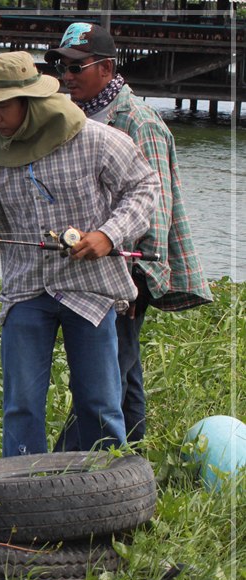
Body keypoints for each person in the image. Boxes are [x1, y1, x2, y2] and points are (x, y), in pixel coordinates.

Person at [0, 51, 159, 457]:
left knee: (99, 402)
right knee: (21, 405)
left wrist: (107, 235)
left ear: (30, 104)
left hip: (91, 289)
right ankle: (21, 488)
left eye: (2, 106)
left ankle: (109, 482)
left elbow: (144, 187)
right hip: (27, 291)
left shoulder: (94, 139)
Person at [45, 23, 212, 449]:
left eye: (76, 67)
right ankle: (131, 456)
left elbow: (155, 205)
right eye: (60, 65)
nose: (66, 75)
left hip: (126, 268)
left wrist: (137, 279)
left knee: (108, 370)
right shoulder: (79, 117)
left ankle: (73, 460)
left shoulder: (139, 121)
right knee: (125, 368)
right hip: (92, 263)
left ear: (104, 67)